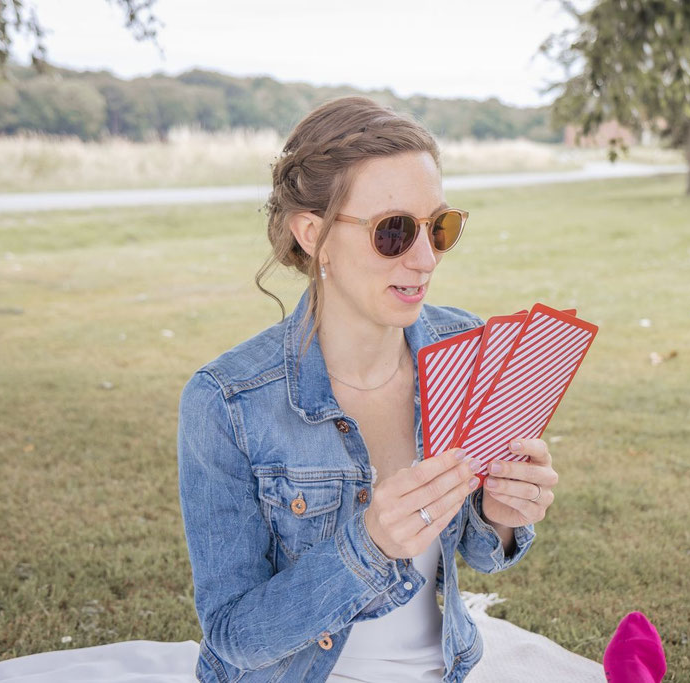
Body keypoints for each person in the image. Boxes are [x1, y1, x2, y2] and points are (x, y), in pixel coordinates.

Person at [177, 96, 560, 683]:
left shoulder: (468, 348)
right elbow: (234, 636)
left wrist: (502, 514)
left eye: (440, 227)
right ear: (314, 235)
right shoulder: (227, 402)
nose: (426, 257)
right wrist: (371, 544)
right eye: (395, 232)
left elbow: (483, 554)